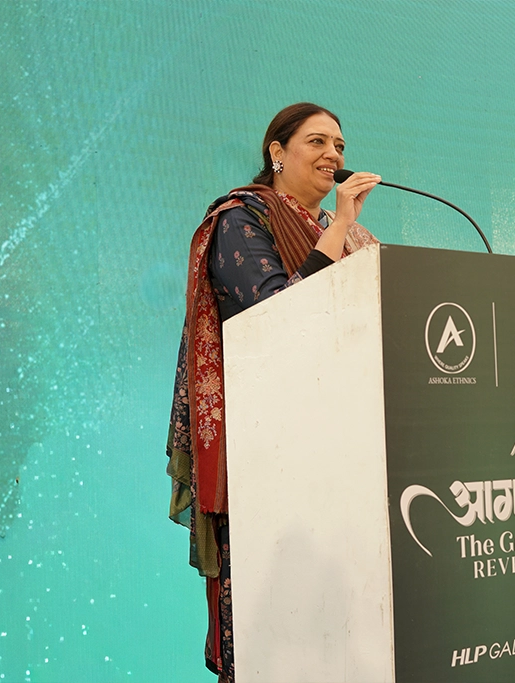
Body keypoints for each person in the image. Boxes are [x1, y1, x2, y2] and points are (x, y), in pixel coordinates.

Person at [165, 102, 381, 681]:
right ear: (277, 153)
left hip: (343, 450)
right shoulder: (241, 220)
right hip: (269, 454)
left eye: (340, 145)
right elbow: (278, 316)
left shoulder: (353, 236)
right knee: (278, 636)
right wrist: (338, 228)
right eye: (317, 142)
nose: (333, 154)